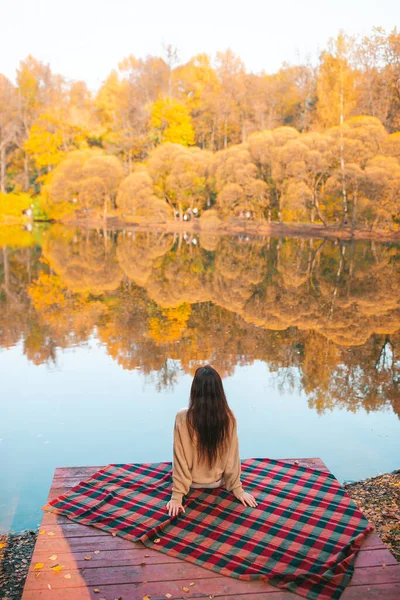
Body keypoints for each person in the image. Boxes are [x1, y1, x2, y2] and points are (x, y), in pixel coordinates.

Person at [166, 365, 258, 516]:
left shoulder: (182, 418)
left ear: (194, 390)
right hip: (217, 482)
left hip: (191, 484)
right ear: (219, 391)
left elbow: (179, 459)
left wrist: (177, 497)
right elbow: (232, 458)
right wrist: (237, 489)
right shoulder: (229, 417)